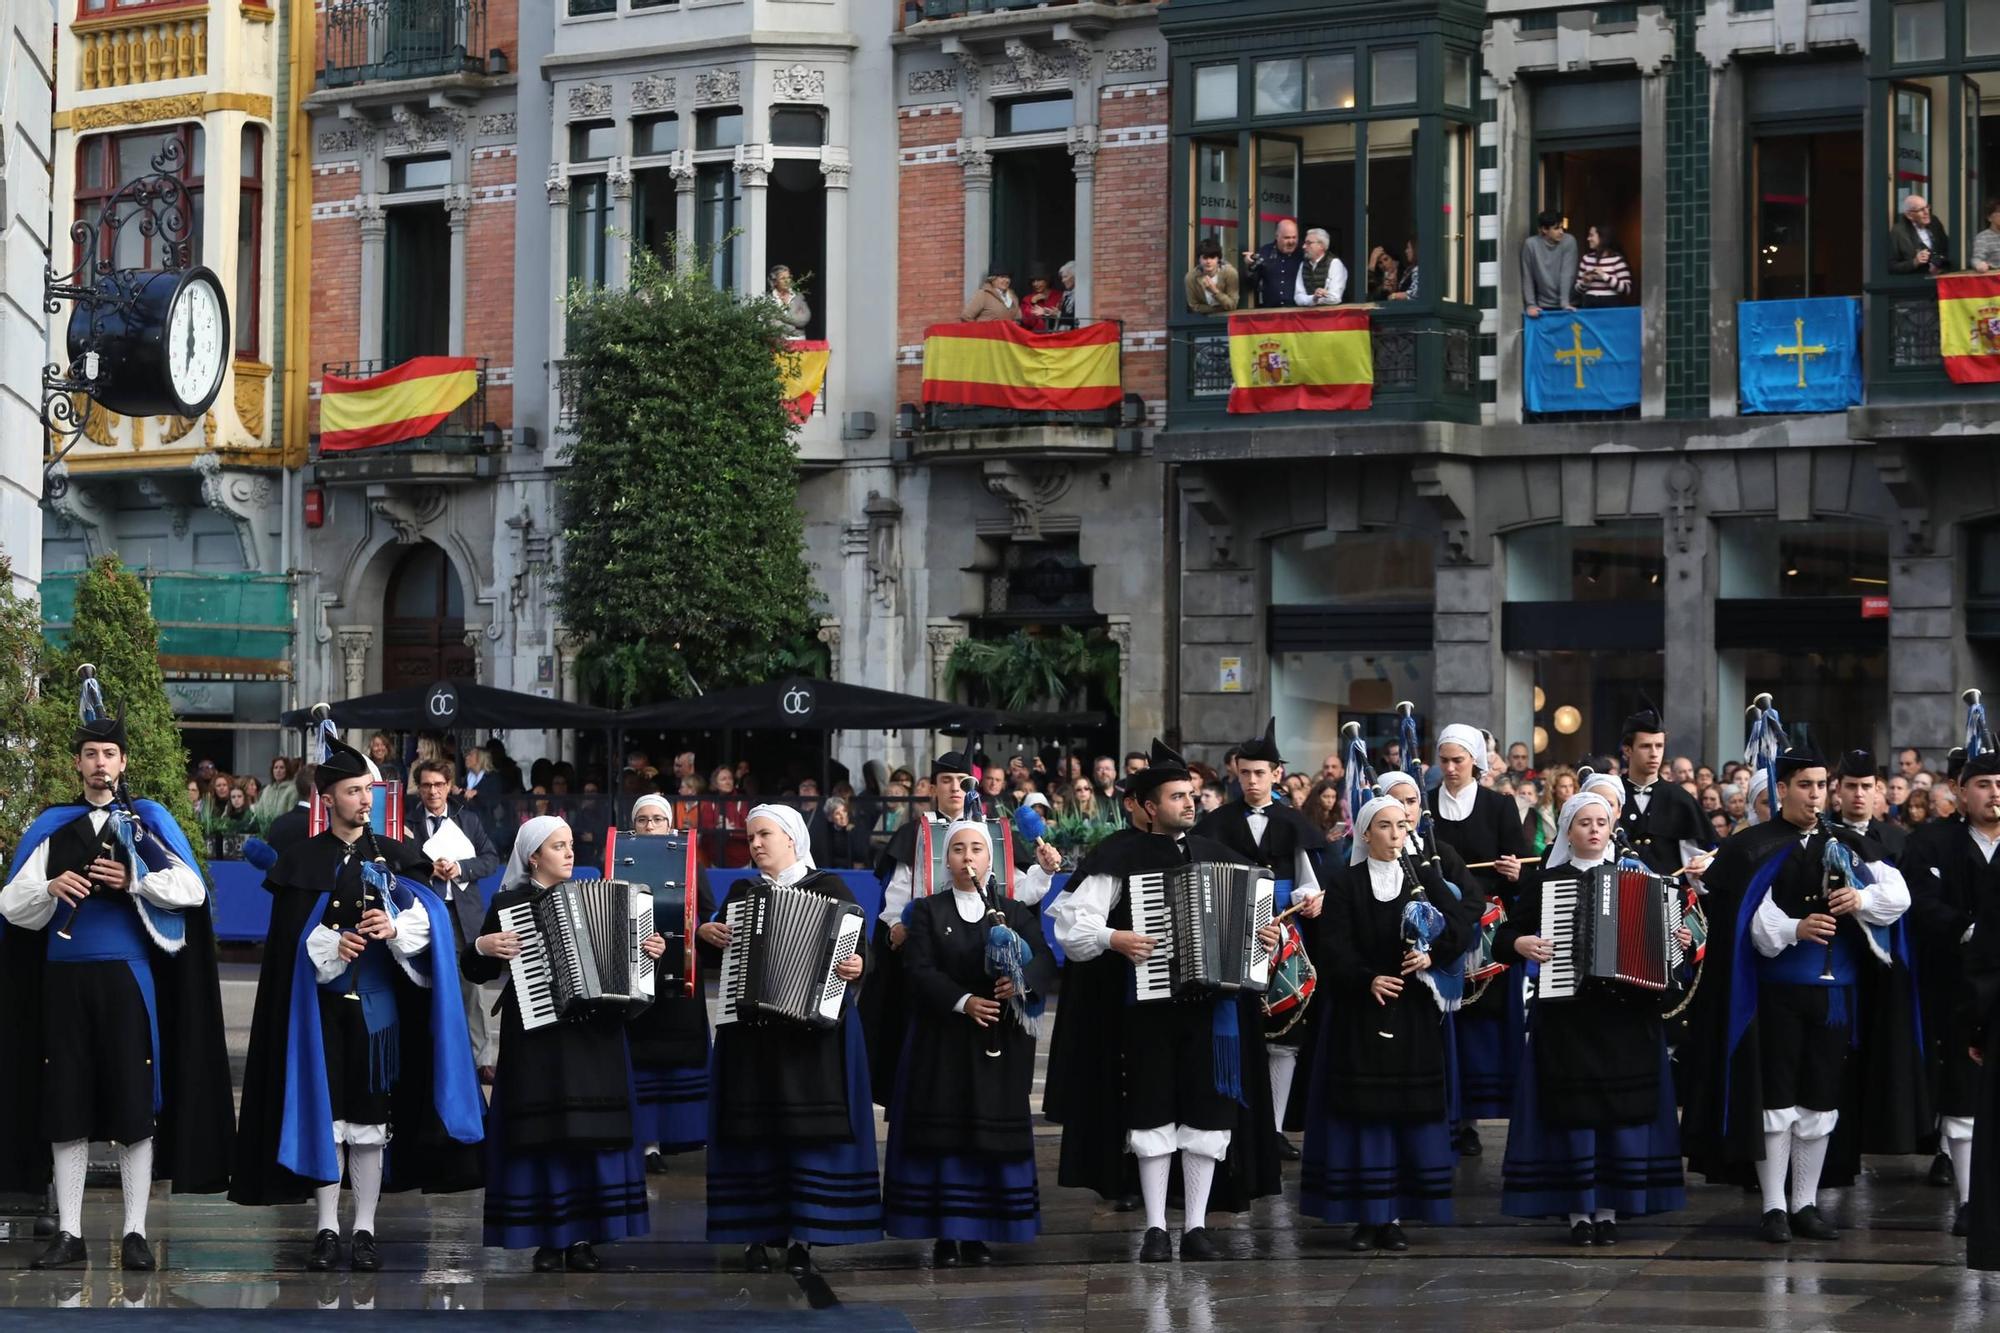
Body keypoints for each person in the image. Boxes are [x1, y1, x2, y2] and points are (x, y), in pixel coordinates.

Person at [231, 732, 484, 1272]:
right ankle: (326, 1229)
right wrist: (328, 945)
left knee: (371, 1123)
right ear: (328, 799)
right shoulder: (299, 864)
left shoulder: (396, 856)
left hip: (380, 1016)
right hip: (317, 1013)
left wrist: (393, 928)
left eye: (368, 790)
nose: (365, 800)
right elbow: (287, 950)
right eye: (352, 791)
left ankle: (364, 1229)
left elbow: (432, 925)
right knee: (327, 1119)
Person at [0, 693, 234, 1271]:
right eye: (90, 754)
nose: (100, 763)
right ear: (77, 764)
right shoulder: (52, 827)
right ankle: (72, 1235)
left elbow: (193, 892)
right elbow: (10, 906)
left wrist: (135, 880)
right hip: (64, 982)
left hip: (129, 981)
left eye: (109, 753)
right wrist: (48, 889)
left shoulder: (146, 821)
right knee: (67, 1105)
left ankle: (134, 1233)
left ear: (123, 763)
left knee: (135, 1104)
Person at [1047, 738, 1284, 1262]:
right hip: (1147, 1009)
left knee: (1207, 1113)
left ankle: (1195, 1226)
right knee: (1151, 1111)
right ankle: (1156, 1227)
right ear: (1149, 807)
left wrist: (1264, 941)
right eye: (1177, 797)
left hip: (1213, 1012)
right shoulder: (1118, 854)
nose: (1188, 803)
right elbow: (1071, 923)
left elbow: (1256, 934)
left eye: (1191, 794)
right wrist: (1116, 938)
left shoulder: (1222, 856)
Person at [1680, 746, 1924, 1245]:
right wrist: (1795, 927)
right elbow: (1753, 923)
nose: (1815, 795)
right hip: (1775, 994)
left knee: (1820, 1098)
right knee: (1777, 1100)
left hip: (1836, 998)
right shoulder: (1753, 845)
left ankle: (1805, 1203)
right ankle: (1773, 1206)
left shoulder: (1846, 842)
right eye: (1804, 785)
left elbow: (1898, 896)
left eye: (1820, 785)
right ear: (1783, 788)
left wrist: (1861, 899)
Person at [463, 817, 665, 1271]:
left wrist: (647, 952)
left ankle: (584, 1237)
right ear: (534, 856)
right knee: (544, 1135)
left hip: (595, 1035)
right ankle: (549, 1239)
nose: (570, 853)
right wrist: (482, 946)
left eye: (571, 844)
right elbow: (475, 972)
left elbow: (633, 975)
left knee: (589, 1134)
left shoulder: (610, 896)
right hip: (537, 1037)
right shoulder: (509, 903)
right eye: (558, 846)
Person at [1497, 792, 1689, 1244]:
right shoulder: (1548, 883)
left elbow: (1673, 954)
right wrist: (1522, 944)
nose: (1594, 830)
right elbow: (1503, 937)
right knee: (1575, 1113)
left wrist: (1676, 940)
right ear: (1568, 830)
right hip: (1569, 1016)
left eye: (1601, 821)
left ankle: (1609, 1209)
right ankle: (1578, 1211)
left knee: (1622, 1112)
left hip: (1627, 1015)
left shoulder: (1642, 878)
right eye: (1584, 822)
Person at [701, 805, 878, 1280]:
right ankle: (757, 1234)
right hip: (753, 1035)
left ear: (793, 839)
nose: (755, 843)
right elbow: (715, 951)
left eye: (763, 835)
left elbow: (861, 950)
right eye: (750, 836)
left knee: (806, 1134)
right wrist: (706, 933)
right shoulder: (742, 892)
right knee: (754, 1132)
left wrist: (859, 964)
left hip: (811, 1038)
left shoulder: (830, 889)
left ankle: (804, 1236)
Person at [1300, 792, 1472, 1250]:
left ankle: (1393, 1215)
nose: (1396, 835)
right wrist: (1367, 979)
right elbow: (1332, 947)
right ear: (1365, 833)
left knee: (1403, 1113)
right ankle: (1366, 1216)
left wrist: (1430, 955)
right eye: (1386, 826)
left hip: (1413, 1013)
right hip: (1360, 1014)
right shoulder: (1344, 882)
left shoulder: (1423, 878)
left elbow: (1461, 926)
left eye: (1402, 826)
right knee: (1364, 1116)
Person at [884, 820, 1055, 1265]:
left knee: (988, 1136)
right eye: (957, 849)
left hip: (998, 1046)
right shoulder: (927, 910)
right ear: (947, 859)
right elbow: (918, 970)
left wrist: (1020, 984)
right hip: (942, 1044)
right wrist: (963, 1002)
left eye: (976, 849)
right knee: (945, 1137)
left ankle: (979, 1232)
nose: (966, 857)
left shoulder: (1013, 912)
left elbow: (1044, 961)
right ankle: (945, 1234)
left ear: (989, 859)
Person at [864, 752, 1061, 1109]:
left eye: (963, 781)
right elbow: (896, 894)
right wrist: (896, 925)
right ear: (933, 788)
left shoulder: (995, 834)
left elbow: (1020, 893)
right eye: (946, 781)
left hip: (982, 957)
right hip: (932, 954)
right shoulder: (914, 833)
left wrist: (1045, 871)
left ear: (976, 788)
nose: (956, 788)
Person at [1195, 719, 1326, 1158]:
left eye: (1259, 772)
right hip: (1229, 936)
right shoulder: (1215, 822)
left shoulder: (1293, 822)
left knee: (1283, 1031)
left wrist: (1308, 899)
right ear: (1235, 772)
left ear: (1276, 774)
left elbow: (1310, 881)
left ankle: (1272, 1128)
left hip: (1283, 934)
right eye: (1244, 772)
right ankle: (1234, 1124)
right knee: (1235, 1026)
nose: (1251, 780)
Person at [1424, 723, 1531, 1151]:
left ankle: (1474, 1114)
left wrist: (1515, 871)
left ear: (1475, 762)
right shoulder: (1426, 807)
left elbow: (1518, 862)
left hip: (1488, 927)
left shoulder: (1500, 806)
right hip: (1439, 926)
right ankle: (1447, 1114)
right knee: (1444, 1017)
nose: (1450, 768)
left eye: (1458, 760)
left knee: (1481, 1022)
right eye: (1444, 760)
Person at [1907, 749, 2000, 1241]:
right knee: (1963, 1095)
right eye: (1983, 784)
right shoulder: (1932, 840)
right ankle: (1968, 1200)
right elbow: (1918, 901)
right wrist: (1970, 930)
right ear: (1960, 792)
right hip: (1957, 987)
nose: (1995, 793)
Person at [617, 794, 717, 1171]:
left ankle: (678, 1133)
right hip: (634, 976)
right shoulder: (618, 858)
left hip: (681, 978)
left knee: (677, 1057)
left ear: (670, 825)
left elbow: (707, 911)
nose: (650, 826)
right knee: (640, 1058)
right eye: (642, 819)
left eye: (657, 819)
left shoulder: (691, 861)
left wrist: (704, 928)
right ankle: (647, 1142)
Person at [403, 759, 504, 1081]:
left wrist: (460, 867)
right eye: (427, 785)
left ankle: (480, 1059)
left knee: (470, 989)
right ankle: (431, 1054)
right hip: (423, 911)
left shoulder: (468, 820)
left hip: (462, 914)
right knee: (421, 983)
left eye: (439, 785)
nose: (433, 791)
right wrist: (426, 869)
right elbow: (395, 862)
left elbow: (490, 859)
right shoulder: (408, 821)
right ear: (419, 788)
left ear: (449, 786)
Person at [1617, 707, 1710, 881]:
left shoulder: (1679, 797)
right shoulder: (1612, 793)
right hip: (1616, 895)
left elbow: (1702, 853)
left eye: (1659, 746)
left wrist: (1702, 865)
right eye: (1645, 746)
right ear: (1627, 750)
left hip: (1670, 898)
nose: (1654, 754)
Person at [1831, 750, 1908, 862]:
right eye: (1851, 786)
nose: (1859, 794)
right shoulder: (1822, 835)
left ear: (1876, 789)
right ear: (1838, 789)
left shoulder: (1896, 838)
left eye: (1866, 786)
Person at [1520, 210, 1578, 319]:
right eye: (1556, 228)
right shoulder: (1531, 245)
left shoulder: (1569, 241)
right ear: (1544, 229)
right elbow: (1528, 276)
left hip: (1569, 304)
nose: (1561, 232)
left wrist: (1565, 303)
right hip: (1543, 306)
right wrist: (1531, 305)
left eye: (1562, 227)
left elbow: (1567, 273)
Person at [1242, 217, 1305, 308]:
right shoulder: (1265, 252)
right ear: (1277, 236)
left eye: (1294, 237)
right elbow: (1251, 285)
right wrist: (1250, 266)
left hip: (1297, 312)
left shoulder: (1302, 252)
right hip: (1271, 312)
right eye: (1287, 237)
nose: (1291, 241)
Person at [1890, 194, 1952, 276]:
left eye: (1927, 207)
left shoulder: (1934, 222)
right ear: (1909, 215)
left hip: (1941, 279)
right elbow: (1891, 266)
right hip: (1915, 282)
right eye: (1921, 209)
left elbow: (1947, 248)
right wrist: (1915, 262)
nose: (1926, 212)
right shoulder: (1898, 232)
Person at [1572, 226, 1633, 307]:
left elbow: (1627, 289)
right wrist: (1585, 282)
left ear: (1602, 237)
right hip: (1589, 303)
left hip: (1611, 304)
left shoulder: (1617, 260)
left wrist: (1604, 276)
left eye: (1591, 235)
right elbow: (1577, 289)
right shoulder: (1586, 259)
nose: (1588, 239)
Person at [1185, 238, 1240, 315]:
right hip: (1203, 320)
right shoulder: (1191, 277)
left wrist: (1214, 291)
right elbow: (1194, 306)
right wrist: (1220, 309)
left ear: (1218, 259)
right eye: (1205, 258)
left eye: (1212, 258)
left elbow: (1232, 305)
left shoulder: (1230, 273)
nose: (1208, 261)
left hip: (1228, 319)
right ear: (1199, 259)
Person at [1296, 227, 1347, 305]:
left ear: (1321, 246)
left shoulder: (1335, 263)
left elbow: (1335, 298)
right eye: (1305, 243)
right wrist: (1313, 298)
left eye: (1308, 243)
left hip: (1330, 315)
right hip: (1307, 315)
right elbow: (1298, 297)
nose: (1304, 246)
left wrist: (1318, 298)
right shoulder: (1303, 265)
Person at [769, 264, 811, 331]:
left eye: (788, 278)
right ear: (775, 281)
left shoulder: (798, 297)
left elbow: (804, 319)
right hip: (777, 339)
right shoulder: (768, 298)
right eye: (783, 278)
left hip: (798, 339)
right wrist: (793, 324)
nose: (786, 281)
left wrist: (781, 317)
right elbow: (770, 323)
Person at [1973, 200, 2000, 273]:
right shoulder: (1983, 237)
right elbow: (1977, 259)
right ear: (1989, 217)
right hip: (1993, 278)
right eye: (1999, 212)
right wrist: (1979, 265)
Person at [1055, 260, 1079, 330]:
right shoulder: (1066, 296)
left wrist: (1058, 314)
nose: (1063, 280)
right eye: (1062, 278)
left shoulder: (1081, 295)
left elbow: (1074, 316)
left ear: (1074, 277)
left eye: (1065, 277)